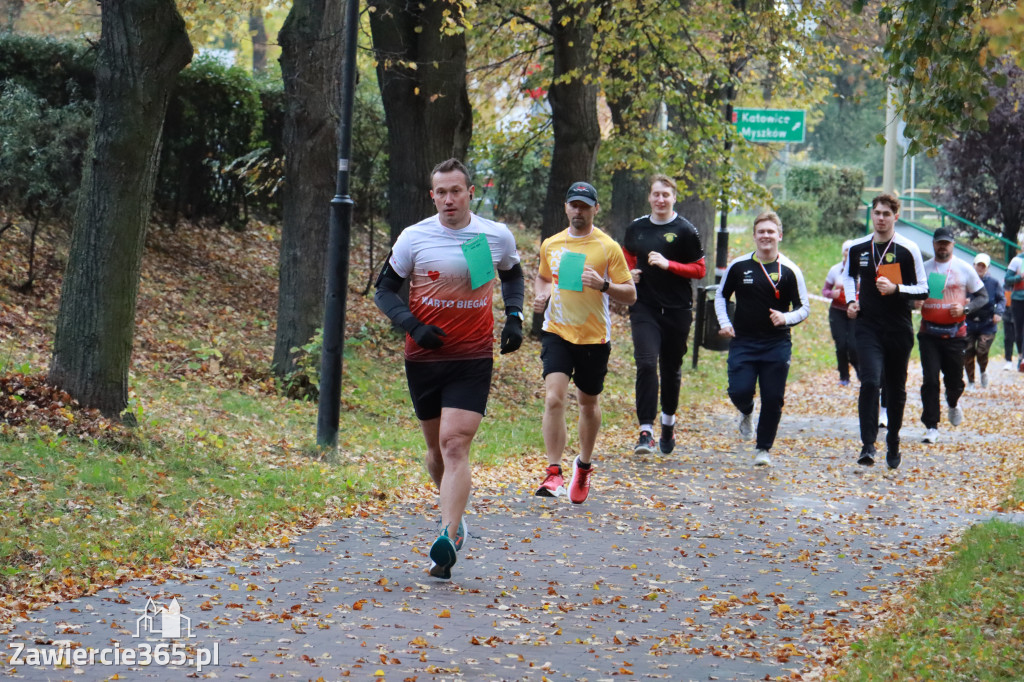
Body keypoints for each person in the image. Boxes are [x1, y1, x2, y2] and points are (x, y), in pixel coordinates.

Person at [373, 158, 525, 580]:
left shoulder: (493, 236)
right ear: (432, 195)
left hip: (472, 357)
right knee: (436, 452)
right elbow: (384, 291)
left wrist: (514, 316)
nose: (448, 199)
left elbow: (513, 274)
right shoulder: (414, 237)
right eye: (440, 192)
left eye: (455, 191)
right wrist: (413, 326)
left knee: (455, 444)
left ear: (470, 192)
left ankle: (448, 535)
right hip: (423, 358)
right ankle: (453, 515)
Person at [532, 181, 636, 503]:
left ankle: (585, 465)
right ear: (566, 207)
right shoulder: (552, 244)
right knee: (553, 398)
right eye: (573, 204)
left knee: (588, 403)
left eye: (585, 205)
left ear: (595, 209)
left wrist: (604, 285)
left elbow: (631, 294)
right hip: (557, 332)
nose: (578, 211)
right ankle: (553, 473)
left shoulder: (607, 247)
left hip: (593, 337)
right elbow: (544, 277)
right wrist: (541, 293)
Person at [714, 211, 810, 468]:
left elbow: (804, 308)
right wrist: (725, 323)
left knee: (773, 397)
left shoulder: (791, 270)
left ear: (779, 235)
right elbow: (721, 296)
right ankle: (746, 410)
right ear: (754, 236)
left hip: (776, 343)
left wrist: (786, 318)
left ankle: (763, 448)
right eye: (761, 232)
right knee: (739, 391)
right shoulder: (739, 266)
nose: (766, 236)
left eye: (771, 231)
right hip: (744, 341)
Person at [842, 193, 928, 470]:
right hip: (867, 326)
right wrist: (851, 301)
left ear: (895, 217)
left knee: (895, 388)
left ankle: (893, 440)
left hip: (898, 328)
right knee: (869, 382)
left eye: (886, 214)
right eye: (876, 213)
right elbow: (847, 276)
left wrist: (897, 289)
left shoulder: (907, 248)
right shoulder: (858, 248)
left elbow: (923, 289)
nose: (880, 218)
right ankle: (868, 445)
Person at [622, 174, 706, 455]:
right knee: (646, 364)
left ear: (673, 198)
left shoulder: (685, 230)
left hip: (677, 310)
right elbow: (627, 255)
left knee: (670, 369)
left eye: (666, 195)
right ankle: (645, 430)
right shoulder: (637, 228)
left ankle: (668, 423)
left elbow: (700, 269)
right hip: (644, 306)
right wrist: (628, 273)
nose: (660, 199)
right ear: (649, 197)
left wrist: (669, 264)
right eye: (656, 194)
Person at [916, 228, 987, 444]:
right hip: (929, 332)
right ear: (933, 244)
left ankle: (953, 403)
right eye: (939, 243)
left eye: (946, 243)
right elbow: (908, 296)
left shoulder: (964, 268)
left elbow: (982, 297)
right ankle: (931, 426)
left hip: (956, 334)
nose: (943, 247)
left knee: (954, 381)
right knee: (930, 380)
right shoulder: (924, 269)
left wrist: (965, 310)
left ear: (953, 245)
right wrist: (914, 302)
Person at [964, 252, 1004, 390]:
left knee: (982, 350)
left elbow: (1001, 299)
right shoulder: (966, 280)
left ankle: (983, 371)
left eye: (983, 266)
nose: (980, 268)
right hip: (968, 322)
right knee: (968, 351)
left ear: (988, 268)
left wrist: (998, 312)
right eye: (978, 265)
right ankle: (970, 381)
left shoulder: (993, 283)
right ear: (973, 265)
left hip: (987, 323)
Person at [822, 240, 858, 386]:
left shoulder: (861, 270)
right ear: (843, 252)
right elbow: (825, 291)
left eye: (852, 250)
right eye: (846, 250)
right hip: (837, 311)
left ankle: (860, 370)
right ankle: (844, 377)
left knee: (854, 346)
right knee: (841, 345)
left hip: (855, 312)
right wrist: (833, 294)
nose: (848, 253)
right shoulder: (835, 270)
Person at [1005, 234, 1024, 371]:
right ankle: (1020, 355)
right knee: (1018, 331)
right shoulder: (1016, 261)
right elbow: (1007, 279)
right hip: (1018, 298)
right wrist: (1019, 277)